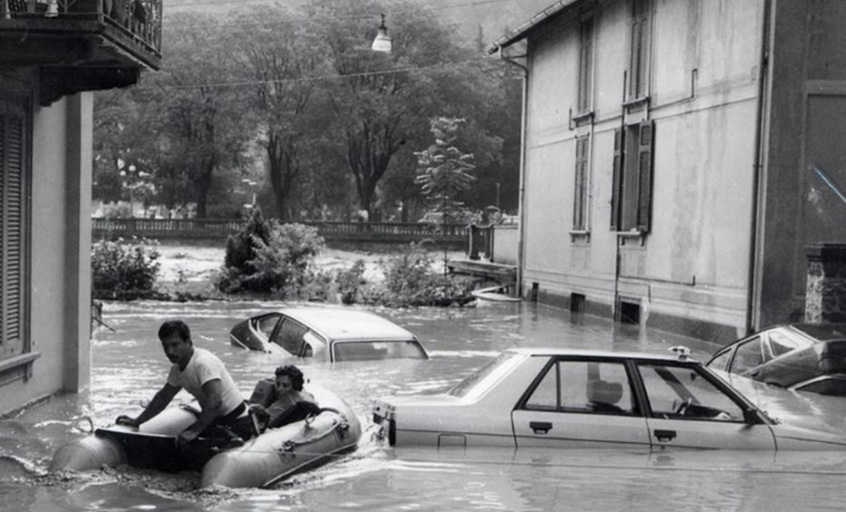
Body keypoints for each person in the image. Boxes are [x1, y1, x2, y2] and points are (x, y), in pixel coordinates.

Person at [115, 320, 248, 448]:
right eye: (165, 346)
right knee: (179, 443)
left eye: (175, 345)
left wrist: (195, 431)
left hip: (236, 419)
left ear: (188, 342)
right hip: (215, 420)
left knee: (187, 445)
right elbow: (163, 397)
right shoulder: (177, 368)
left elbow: (215, 401)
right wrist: (137, 421)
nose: (169, 352)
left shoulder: (203, 363)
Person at [249, 365, 320, 431]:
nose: (279, 388)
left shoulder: (303, 405)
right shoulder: (268, 390)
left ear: (295, 388)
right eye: (278, 384)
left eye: (285, 386)